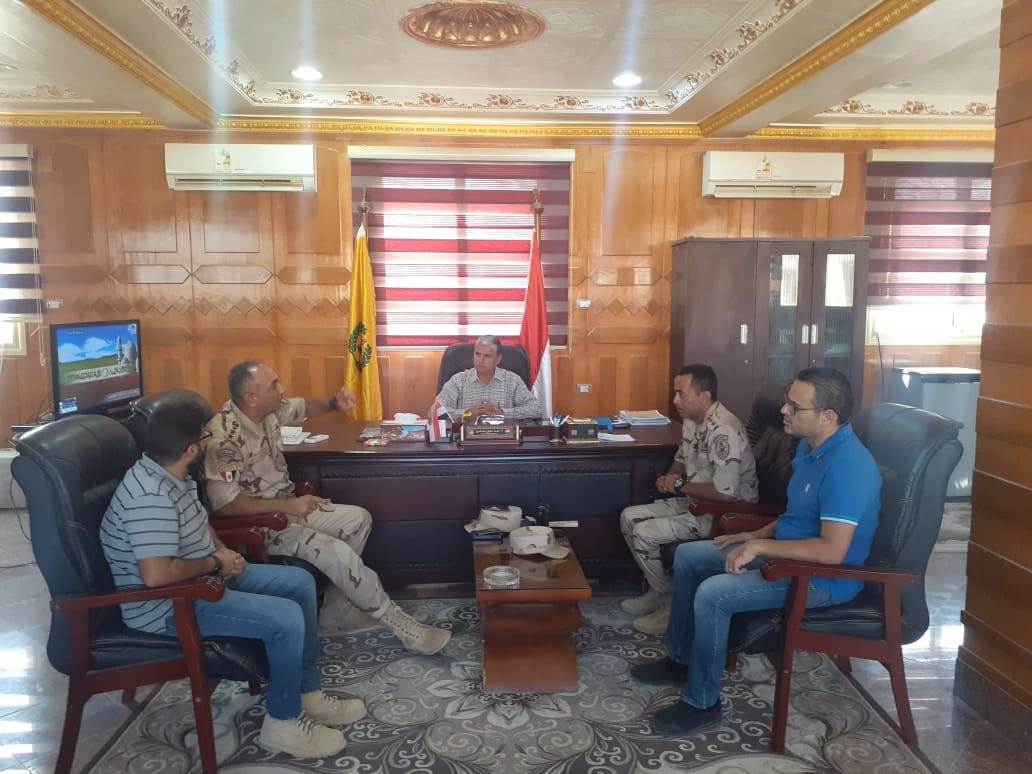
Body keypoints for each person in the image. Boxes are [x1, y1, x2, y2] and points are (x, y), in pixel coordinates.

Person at [100, 399, 364, 758]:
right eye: (204, 436)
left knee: (299, 584)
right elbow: (157, 574)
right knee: (285, 618)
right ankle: (282, 724)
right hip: (171, 604)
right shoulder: (150, 496)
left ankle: (306, 692)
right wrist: (214, 562)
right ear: (191, 449)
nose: (210, 440)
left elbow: (199, 525)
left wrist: (225, 554)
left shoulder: (172, 473)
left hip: (204, 577)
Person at [630, 367, 882, 735]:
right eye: (786, 403)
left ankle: (702, 703)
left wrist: (760, 545)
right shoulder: (810, 449)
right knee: (689, 557)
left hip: (820, 578)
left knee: (714, 594)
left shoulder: (848, 467)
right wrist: (757, 533)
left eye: (794, 407)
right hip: (787, 554)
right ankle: (680, 660)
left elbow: (832, 551)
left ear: (827, 417)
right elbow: (798, 517)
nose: (783, 411)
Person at [202, 360, 451, 655]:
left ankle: (336, 615)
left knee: (358, 519)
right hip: (263, 524)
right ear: (251, 398)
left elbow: (303, 407)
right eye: (274, 385)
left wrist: (334, 402)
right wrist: (289, 505)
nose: (282, 389)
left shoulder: (268, 409)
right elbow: (226, 505)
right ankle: (401, 625)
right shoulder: (225, 441)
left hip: (289, 508)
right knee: (336, 552)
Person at [619, 364, 758, 635]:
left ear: (704, 396)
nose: (675, 400)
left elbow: (725, 492)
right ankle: (661, 593)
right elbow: (682, 459)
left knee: (645, 532)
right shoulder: (693, 421)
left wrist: (680, 485)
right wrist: (672, 476)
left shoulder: (723, 430)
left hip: (723, 514)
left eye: (681, 394)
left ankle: (672, 606)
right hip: (694, 503)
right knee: (628, 517)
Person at [433, 335, 544, 420]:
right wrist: (468, 413)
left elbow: (536, 408)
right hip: (466, 439)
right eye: (477, 354)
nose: (480, 360)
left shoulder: (512, 380)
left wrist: (502, 413)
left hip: (503, 438)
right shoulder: (459, 380)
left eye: (487, 356)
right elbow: (435, 411)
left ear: (498, 359)